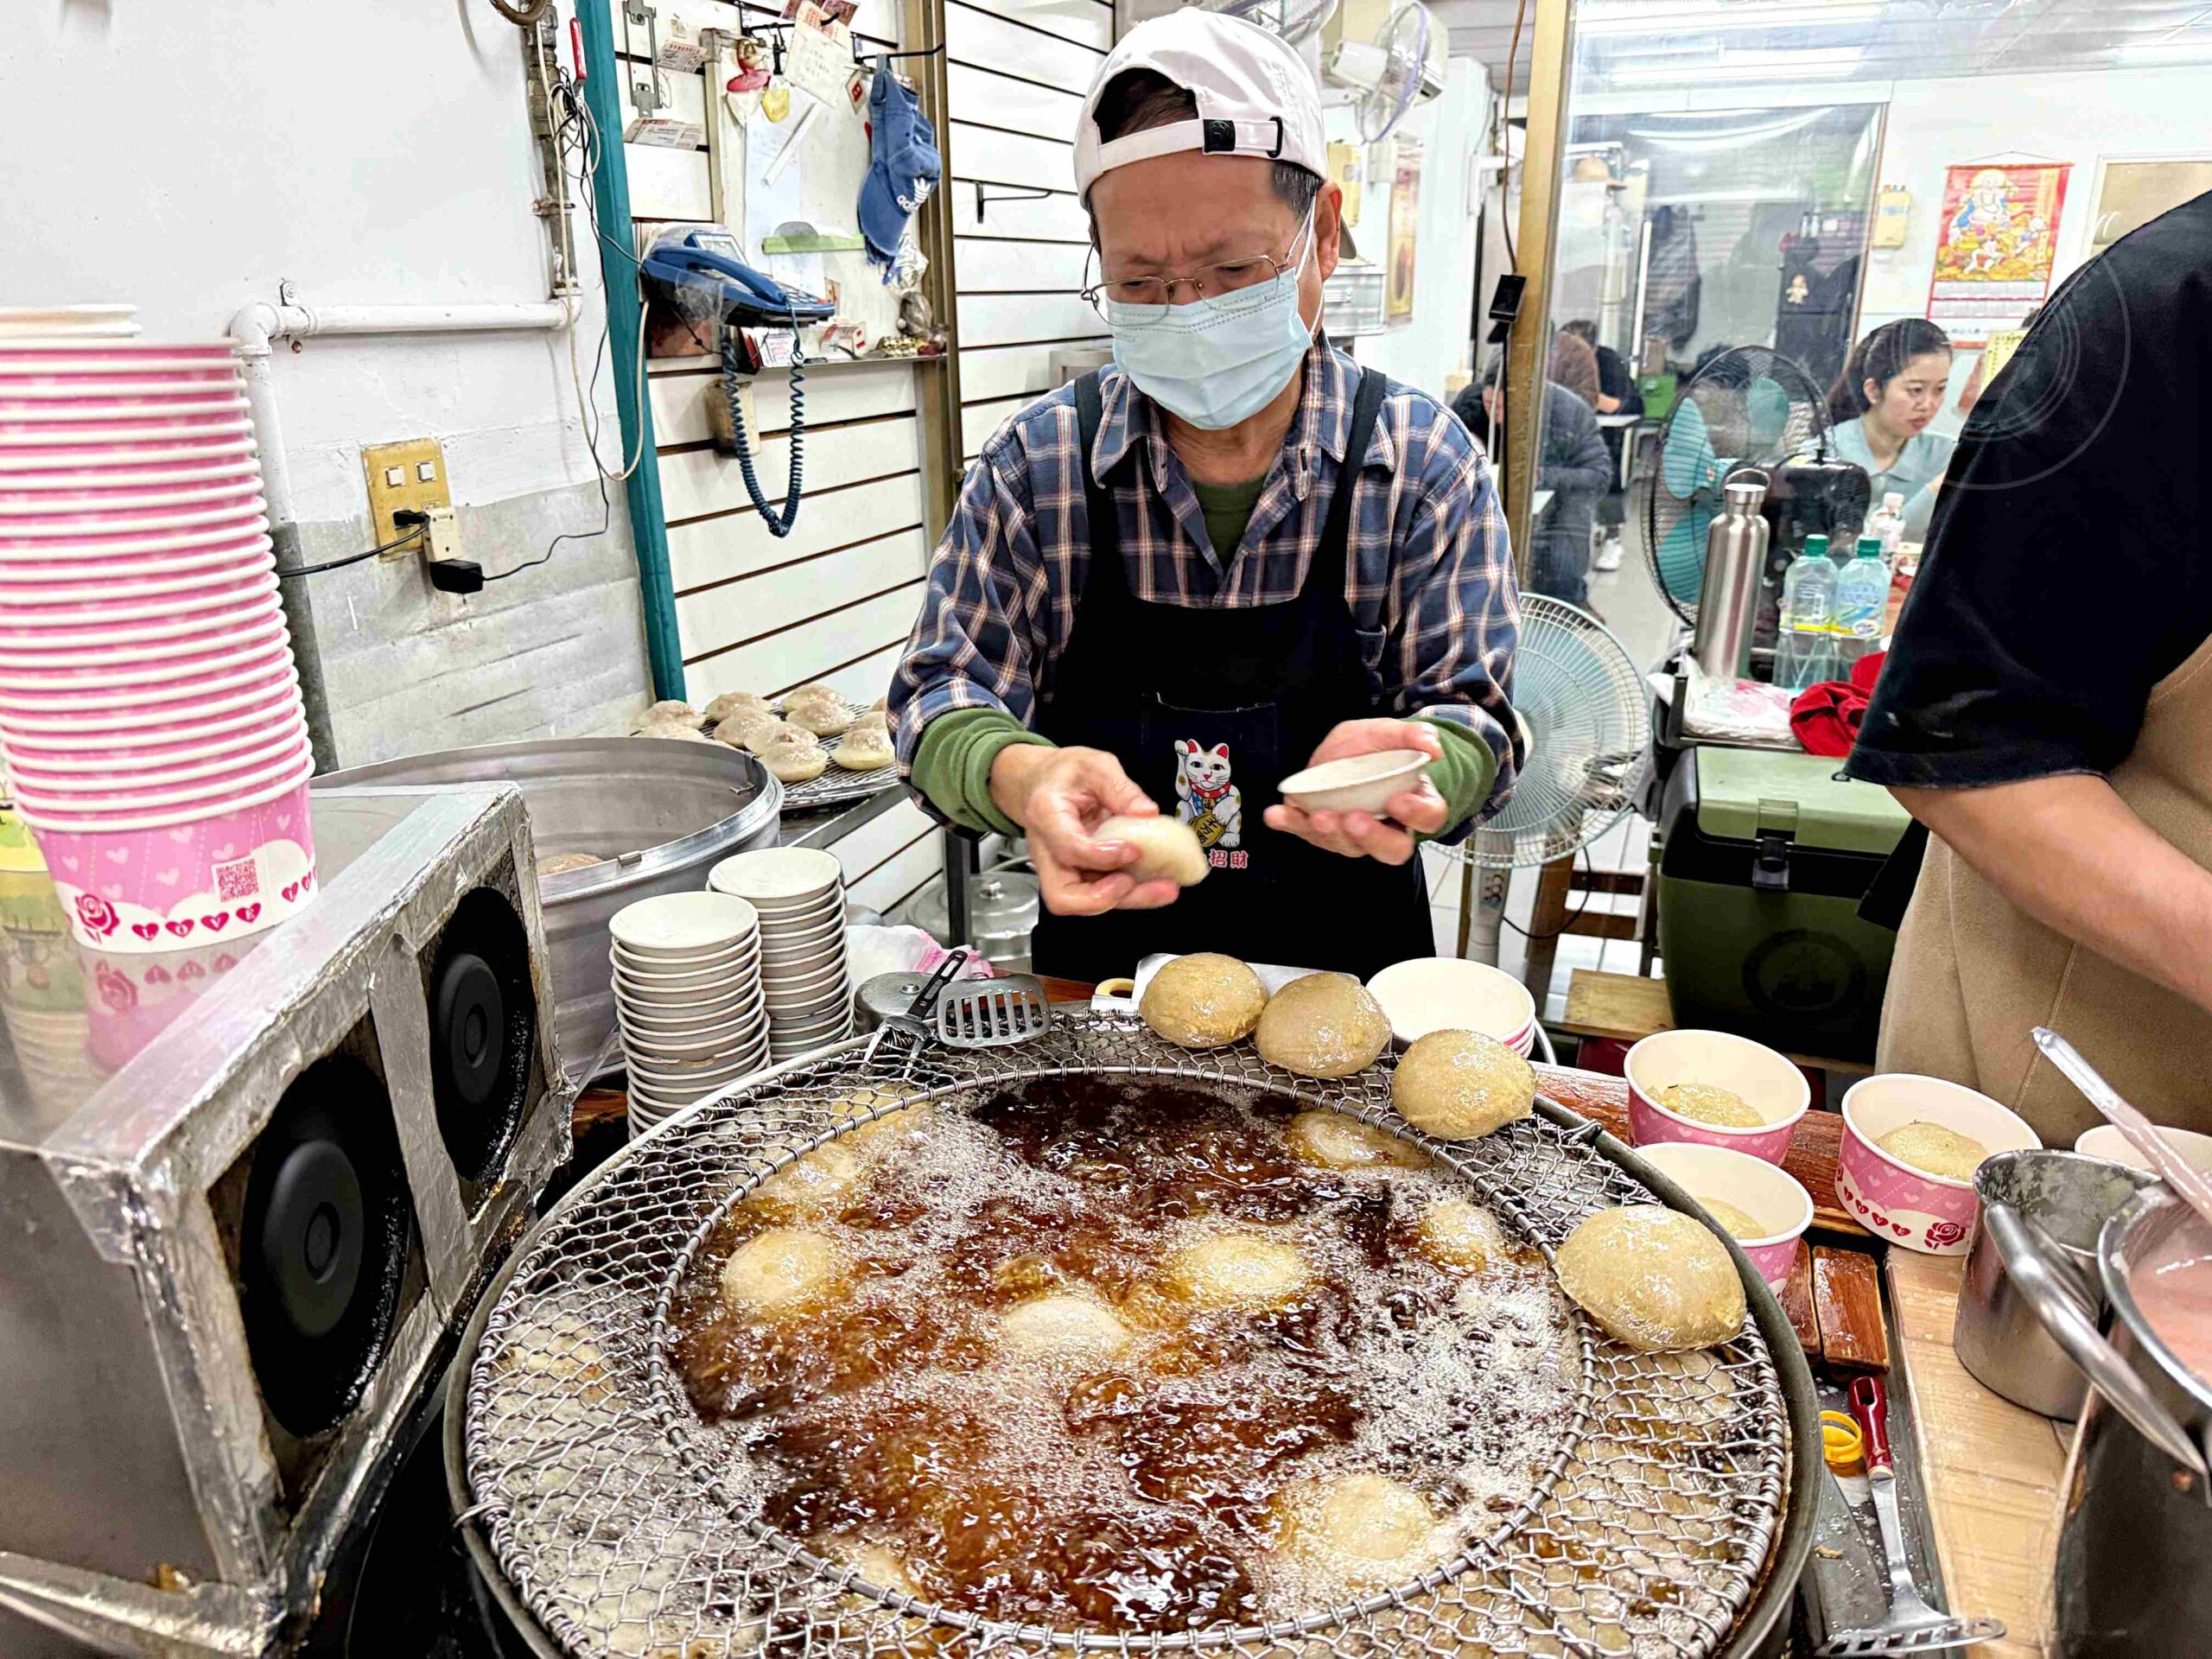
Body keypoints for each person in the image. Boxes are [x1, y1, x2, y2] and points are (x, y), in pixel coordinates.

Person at [889, 9, 1520, 982]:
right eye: (1142, 283)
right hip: (1099, 996)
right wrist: (1026, 775)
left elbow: (1476, 716)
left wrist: (1420, 766)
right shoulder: (1040, 465)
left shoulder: (1421, 464)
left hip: (1347, 994)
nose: (1189, 315)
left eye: (1231, 271)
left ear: (1325, 235)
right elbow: (938, 694)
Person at [1844, 188, 2212, 1139]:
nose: (1927, 405)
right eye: (1914, 390)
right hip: (2094, 1091)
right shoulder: (2157, 321)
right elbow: (1964, 754)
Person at [1452, 357, 1612, 609]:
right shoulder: (1470, 402)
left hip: (1555, 519)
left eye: (1505, 407)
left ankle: (1568, 600)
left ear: (1530, 398)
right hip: (1486, 510)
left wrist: (1538, 476)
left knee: (1556, 589)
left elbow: (1599, 476)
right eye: (1490, 404)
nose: (1496, 417)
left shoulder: (1570, 413)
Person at [1826, 319, 1955, 542]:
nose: (1928, 404)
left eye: (1940, 389)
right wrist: (1935, 489)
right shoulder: (1826, 454)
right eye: (1915, 390)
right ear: (1874, 391)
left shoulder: (1946, 455)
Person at [1561, 318, 1641, 570]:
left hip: (1602, 432)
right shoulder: (1557, 359)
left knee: (1607, 471)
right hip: (1563, 430)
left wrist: (1584, 392)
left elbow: (1619, 405)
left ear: (1592, 349)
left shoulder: (1608, 363)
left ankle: (1612, 536)